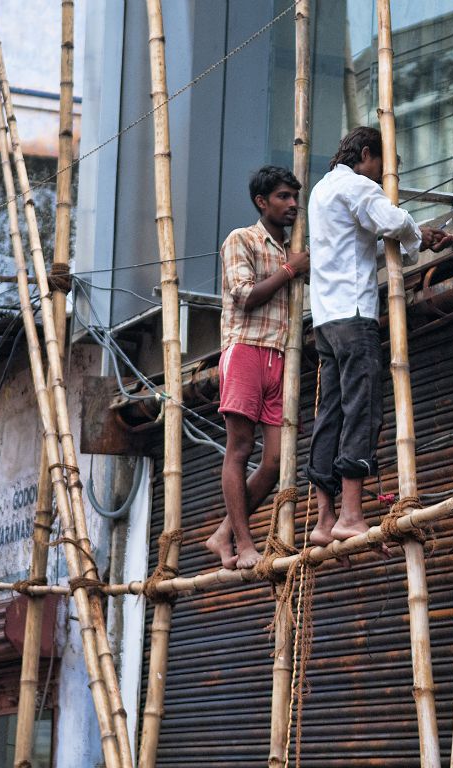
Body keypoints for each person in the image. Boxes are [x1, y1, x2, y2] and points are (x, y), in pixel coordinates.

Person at [306, 126, 453, 549]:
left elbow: (366, 246)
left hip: (326, 320)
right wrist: (413, 231)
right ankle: (351, 515)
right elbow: (391, 218)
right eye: (383, 167)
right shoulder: (354, 186)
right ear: (367, 155)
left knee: (330, 413)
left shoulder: (322, 192)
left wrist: (418, 241)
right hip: (354, 317)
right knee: (362, 407)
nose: (383, 176)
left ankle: (324, 518)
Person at [205, 166, 309, 570]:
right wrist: (289, 270)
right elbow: (245, 296)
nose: (293, 205)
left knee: (277, 460)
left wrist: (293, 264)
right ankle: (244, 545)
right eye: (284, 197)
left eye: (295, 198)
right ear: (261, 202)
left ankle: (224, 533)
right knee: (241, 448)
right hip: (245, 350)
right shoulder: (241, 239)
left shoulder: (293, 248)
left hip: (280, 357)